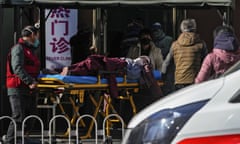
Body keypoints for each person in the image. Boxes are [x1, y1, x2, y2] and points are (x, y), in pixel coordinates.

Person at [5, 25, 41, 144]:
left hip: (28, 89)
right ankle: (10, 140)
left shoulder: (30, 50)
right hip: (17, 87)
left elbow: (32, 67)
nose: (37, 38)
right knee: (18, 116)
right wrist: (30, 81)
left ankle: (21, 138)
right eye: (37, 35)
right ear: (32, 35)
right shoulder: (18, 49)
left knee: (31, 116)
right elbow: (17, 68)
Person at [162, 18, 207, 91]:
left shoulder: (175, 44)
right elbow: (206, 62)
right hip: (195, 79)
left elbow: (167, 62)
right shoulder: (201, 44)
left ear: (182, 29)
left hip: (179, 80)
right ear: (194, 28)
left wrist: (163, 75)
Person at [151, 22, 174, 95]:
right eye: (154, 31)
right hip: (157, 68)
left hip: (167, 68)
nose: (156, 32)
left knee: (167, 88)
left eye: (157, 30)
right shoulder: (152, 42)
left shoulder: (169, 40)